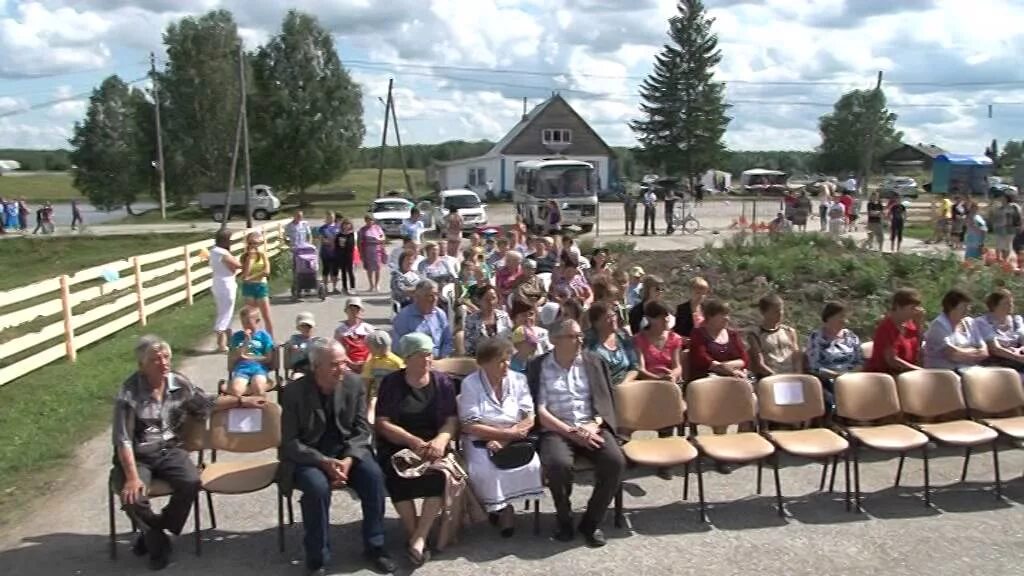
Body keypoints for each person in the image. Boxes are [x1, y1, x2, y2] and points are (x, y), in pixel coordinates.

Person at [113, 336, 264, 570]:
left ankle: (154, 529)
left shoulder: (178, 383)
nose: (163, 363)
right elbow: (122, 439)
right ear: (142, 365)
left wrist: (242, 401)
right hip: (138, 455)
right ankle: (158, 543)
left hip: (169, 450)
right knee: (134, 496)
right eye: (155, 359)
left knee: (191, 482)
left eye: (166, 357)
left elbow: (207, 403)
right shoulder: (130, 393)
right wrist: (132, 477)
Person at [278, 338, 397, 575]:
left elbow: (362, 430)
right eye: (334, 364)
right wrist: (322, 461)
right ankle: (317, 558)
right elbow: (290, 442)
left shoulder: (354, 384)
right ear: (315, 367)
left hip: (347, 452)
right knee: (316, 488)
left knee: (373, 477)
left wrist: (349, 460)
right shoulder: (293, 392)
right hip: (310, 456)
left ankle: (375, 546)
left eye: (343, 362)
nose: (342, 368)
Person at [527, 319, 626, 547]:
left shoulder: (593, 362)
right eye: (573, 336)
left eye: (581, 335)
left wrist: (593, 425)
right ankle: (564, 519)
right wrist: (571, 432)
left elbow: (604, 401)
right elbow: (540, 411)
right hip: (556, 429)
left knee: (615, 462)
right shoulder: (539, 366)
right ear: (554, 340)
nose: (580, 340)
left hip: (591, 426)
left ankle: (591, 522)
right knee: (557, 464)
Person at [374, 333, 459, 566]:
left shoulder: (442, 382)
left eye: (430, 354)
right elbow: (382, 422)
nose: (428, 360)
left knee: (439, 476)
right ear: (408, 358)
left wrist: (441, 440)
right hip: (399, 445)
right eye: (422, 355)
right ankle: (414, 534)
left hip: (433, 445)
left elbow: (451, 419)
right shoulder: (392, 383)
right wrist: (412, 441)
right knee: (396, 475)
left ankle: (419, 537)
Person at [458, 337, 544, 535]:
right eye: (501, 361)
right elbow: (470, 424)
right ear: (485, 363)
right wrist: (500, 434)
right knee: (484, 469)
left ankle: (506, 506)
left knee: (533, 465)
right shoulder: (471, 384)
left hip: (515, 438)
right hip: (480, 438)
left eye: (508, 360)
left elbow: (529, 415)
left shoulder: (518, 379)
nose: (506, 365)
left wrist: (507, 438)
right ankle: (504, 509)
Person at [805, 302, 863, 404]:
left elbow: (860, 361)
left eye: (845, 317)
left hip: (852, 377)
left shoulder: (851, 336)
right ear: (829, 317)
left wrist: (849, 375)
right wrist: (837, 376)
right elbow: (814, 366)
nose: (845, 320)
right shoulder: (816, 337)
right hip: (828, 379)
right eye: (841, 317)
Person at [922, 289, 988, 371]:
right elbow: (953, 355)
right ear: (951, 307)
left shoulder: (970, 322)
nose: (968, 309)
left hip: (969, 369)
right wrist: (974, 350)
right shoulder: (939, 325)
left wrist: (963, 352)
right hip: (944, 373)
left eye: (969, 306)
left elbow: (984, 352)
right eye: (964, 306)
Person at [866, 288, 925, 374]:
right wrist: (919, 370)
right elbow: (892, 361)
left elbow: (917, 349)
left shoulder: (910, 324)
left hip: (907, 373)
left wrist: (919, 325)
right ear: (898, 307)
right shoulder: (886, 327)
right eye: (912, 308)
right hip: (885, 375)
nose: (915, 312)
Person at [688, 299, 750, 381]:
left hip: (735, 376)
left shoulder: (733, 335)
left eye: (728, 314)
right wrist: (730, 370)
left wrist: (725, 367)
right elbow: (703, 360)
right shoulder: (698, 334)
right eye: (723, 314)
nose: (727, 318)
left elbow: (744, 359)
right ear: (710, 316)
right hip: (707, 380)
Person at [392, 280, 455, 358]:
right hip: (415, 363)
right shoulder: (404, 317)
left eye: (436, 295)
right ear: (417, 298)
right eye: (429, 295)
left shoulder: (440, 314)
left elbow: (447, 341)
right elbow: (398, 347)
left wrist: (443, 357)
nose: (434, 299)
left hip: (439, 361)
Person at [747, 294, 802, 378]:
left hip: (791, 375)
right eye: (775, 311)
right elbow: (759, 363)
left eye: (781, 310)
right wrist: (776, 377)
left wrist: (798, 374)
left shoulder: (789, 332)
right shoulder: (755, 335)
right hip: (770, 377)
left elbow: (796, 357)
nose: (780, 313)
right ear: (764, 312)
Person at [585, 302, 638, 387]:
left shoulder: (623, 336)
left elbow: (634, 367)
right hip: (603, 390)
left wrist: (624, 384)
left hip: (626, 387)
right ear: (596, 323)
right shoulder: (589, 343)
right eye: (608, 317)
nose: (613, 320)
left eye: (613, 315)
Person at [228, 306, 275, 397]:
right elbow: (236, 357)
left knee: (258, 387)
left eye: (248, 323)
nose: (246, 326)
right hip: (242, 368)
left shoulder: (264, 336)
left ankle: (260, 405)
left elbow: (268, 358)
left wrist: (248, 357)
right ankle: (245, 404)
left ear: (257, 321)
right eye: (243, 323)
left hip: (259, 367)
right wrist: (246, 342)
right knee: (236, 391)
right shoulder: (237, 337)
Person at [975, 289, 1024, 370]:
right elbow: (995, 349)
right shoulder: (983, 322)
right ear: (995, 306)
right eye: (1006, 303)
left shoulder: (1016, 320)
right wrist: (1016, 357)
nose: (1011, 305)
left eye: (1011, 302)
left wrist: (1018, 350)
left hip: (1018, 356)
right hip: (998, 362)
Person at [209, 228, 241, 352]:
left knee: (223, 311)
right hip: (226, 284)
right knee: (225, 313)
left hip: (217, 282)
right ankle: (221, 343)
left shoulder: (213, 251)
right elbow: (237, 265)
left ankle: (229, 339)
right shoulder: (222, 253)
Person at [361, 331, 405, 417]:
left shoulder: (397, 363)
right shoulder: (372, 362)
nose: (368, 350)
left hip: (395, 397)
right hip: (378, 397)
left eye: (370, 347)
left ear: (378, 347)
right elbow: (366, 384)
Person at [240, 231, 274, 337]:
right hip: (248, 288)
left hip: (260, 286)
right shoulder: (245, 257)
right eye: (250, 243)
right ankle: (251, 340)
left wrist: (251, 277)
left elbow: (266, 272)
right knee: (250, 317)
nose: (253, 246)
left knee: (266, 316)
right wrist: (250, 259)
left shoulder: (263, 254)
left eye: (255, 243)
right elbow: (244, 275)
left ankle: (270, 341)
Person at [464, 284, 513, 356]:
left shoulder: (504, 316)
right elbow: (469, 346)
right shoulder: (471, 319)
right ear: (479, 301)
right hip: (480, 359)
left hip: (502, 356)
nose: (491, 302)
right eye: (487, 299)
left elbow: (510, 339)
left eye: (493, 298)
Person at [335, 298, 375, 373]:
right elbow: (339, 351)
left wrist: (366, 363)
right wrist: (351, 364)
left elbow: (373, 349)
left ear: (361, 311)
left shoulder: (369, 329)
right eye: (351, 309)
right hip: (348, 366)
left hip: (368, 364)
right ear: (346, 311)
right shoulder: (340, 331)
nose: (354, 312)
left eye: (357, 309)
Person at [358, 214, 387, 293]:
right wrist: (361, 253)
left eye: (371, 220)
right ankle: (371, 285)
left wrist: (382, 244)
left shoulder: (377, 228)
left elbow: (382, 237)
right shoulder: (362, 230)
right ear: (365, 221)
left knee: (377, 268)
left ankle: (377, 284)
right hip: (367, 250)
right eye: (368, 220)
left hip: (377, 249)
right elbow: (359, 242)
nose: (369, 222)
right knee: (369, 269)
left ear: (373, 221)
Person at [316, 212, 341, 293]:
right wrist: (331, 242)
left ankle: (334, 287)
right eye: (328, 217)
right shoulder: (322, 228)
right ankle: (325, 287)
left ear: (334, 218)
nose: (330, 219)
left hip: (336, 252)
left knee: (335, 270)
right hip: (325, 252)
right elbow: (321, 239)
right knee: (326, 269)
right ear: (326, 218)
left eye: (331, 217)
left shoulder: (338, 227)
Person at [335, 218, 357, 295]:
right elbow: (336, 245)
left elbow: (352, 245)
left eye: (348, 224)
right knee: (343, 272)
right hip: (341, 255)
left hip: (349, 255)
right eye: (345, 224)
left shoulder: (351, 234)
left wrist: (345, 245)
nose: (346, 226)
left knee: (350, 271)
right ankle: (344, 288)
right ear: (342, 225)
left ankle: (352, 287)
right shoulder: (339, 235)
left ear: (350, 225)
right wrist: (338, 252)